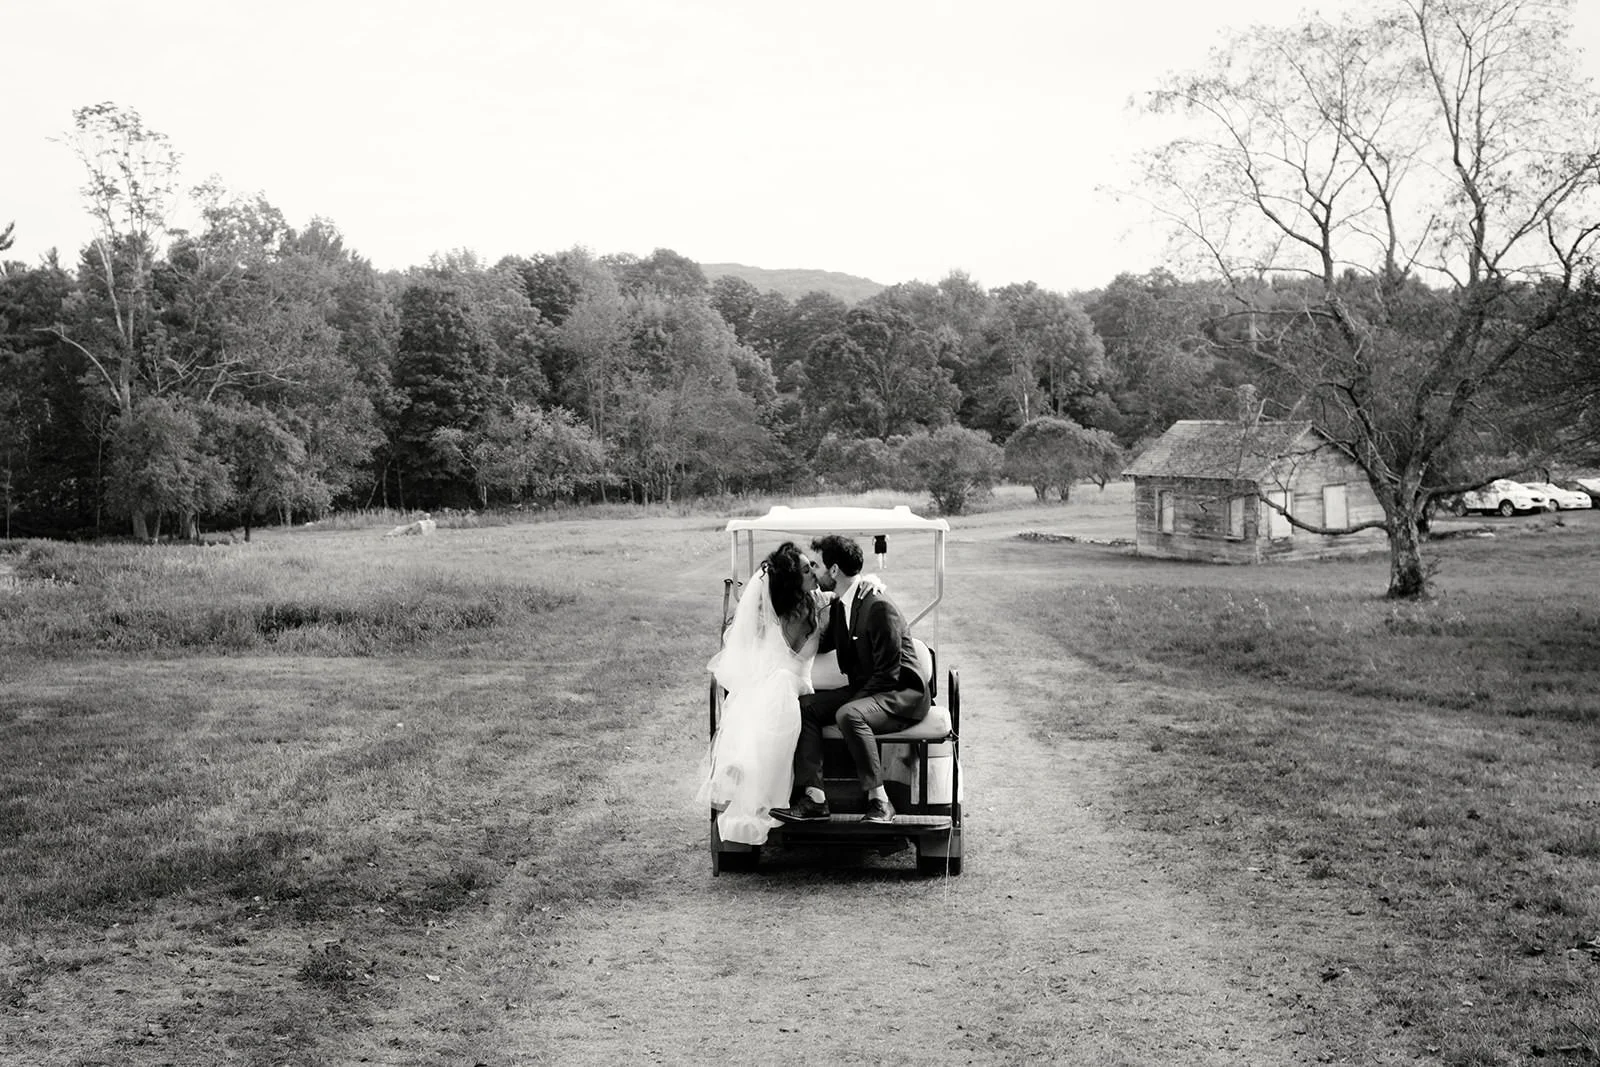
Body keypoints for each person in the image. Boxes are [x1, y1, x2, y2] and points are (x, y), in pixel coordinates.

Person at [775, 534, 930, 825]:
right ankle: (815, 799)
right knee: (806, 707)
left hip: (901, 694)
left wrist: (850, 705)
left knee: (849, 713)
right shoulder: (842, 604)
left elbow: (889, 674)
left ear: (834, 571)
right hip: (871, 689)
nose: (816, 572)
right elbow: (822, 643)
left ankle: (880, 801)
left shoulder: (877, 606)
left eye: (819, 566)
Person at [695, 541, 829, 845]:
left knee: (774, 686)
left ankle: (741, 766)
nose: (813, 574)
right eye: (807, 570)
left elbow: (794, 661)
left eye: (812, 567)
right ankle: (745, 773)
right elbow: (795, 653)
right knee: (769, 688)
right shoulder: (801, 609)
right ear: (794, 580)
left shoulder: (798, 606)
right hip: (784, 682)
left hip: (791, 683)